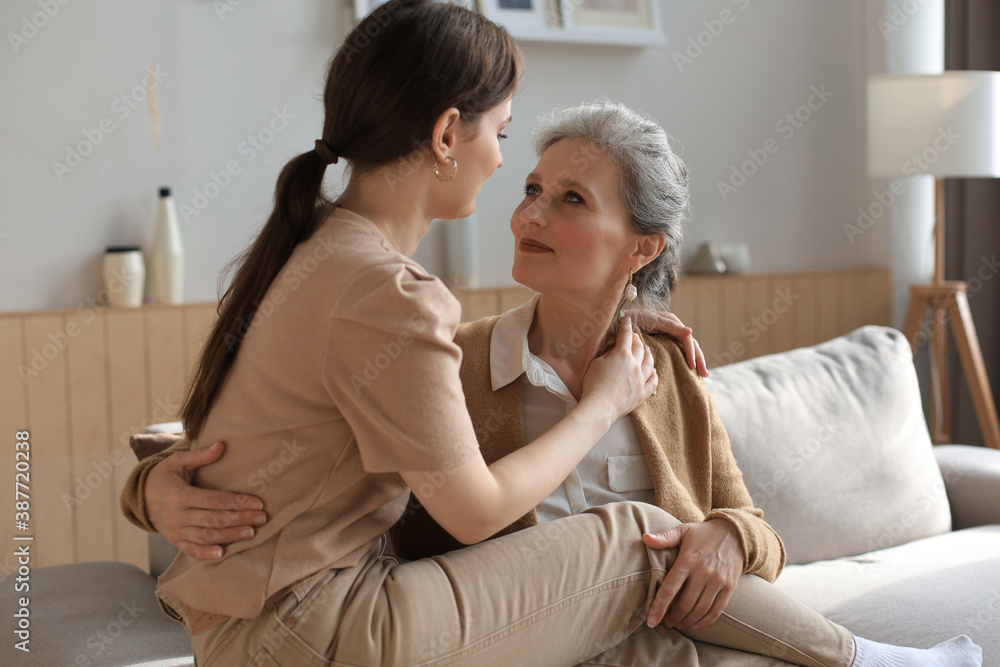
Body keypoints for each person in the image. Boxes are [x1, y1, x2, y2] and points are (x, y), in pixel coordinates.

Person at [121, 3, 982, 665]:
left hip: (291, 624)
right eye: (505, 143)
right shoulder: (402, 304)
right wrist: (153, 485)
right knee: (635, 539)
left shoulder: (316, 248)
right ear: (447, 136)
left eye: (568, 197)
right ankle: (872, 658)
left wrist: (724, 530)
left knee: (659, 624)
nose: (512, 188)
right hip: (319, 629)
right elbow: (472, 511)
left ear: (641, 248)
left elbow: (272, 426)